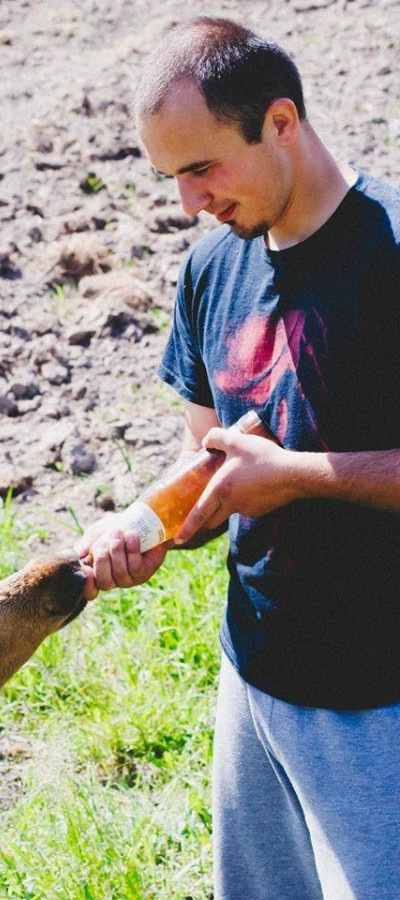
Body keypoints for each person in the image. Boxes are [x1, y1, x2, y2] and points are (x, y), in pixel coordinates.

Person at [77, 17, 400, 900]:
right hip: (252, 675)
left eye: (202, 167)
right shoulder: (212, 267)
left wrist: (291, 476)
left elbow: (268, 472)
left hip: (377, 700)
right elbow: (206, 461)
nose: (188, 202)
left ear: (282, 122)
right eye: (170, 176)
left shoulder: (389, 256)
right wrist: (151, 525)